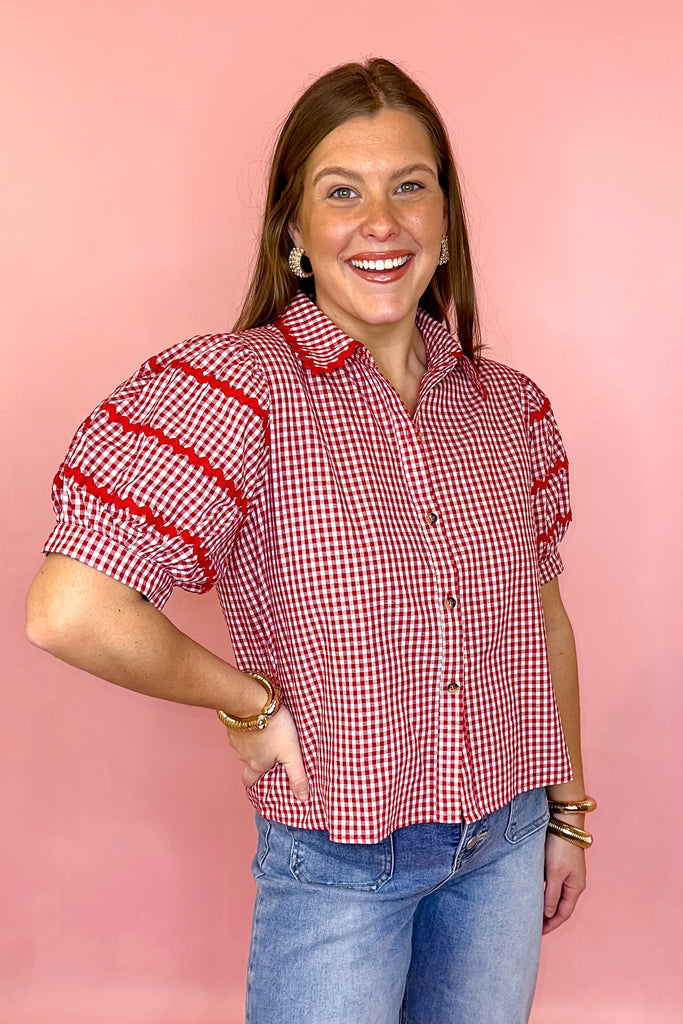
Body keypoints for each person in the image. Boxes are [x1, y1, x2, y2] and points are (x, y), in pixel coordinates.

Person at [26, 58, 594, 1024]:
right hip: (340, 866)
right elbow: (69, 609)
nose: (381, 222)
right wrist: (248, 704)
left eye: (409, 186)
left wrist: (568, 812)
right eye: (342, 193)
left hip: (504, 844)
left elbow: (539, 615)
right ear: (293, 232)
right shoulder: (231, 395)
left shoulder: (508, 410)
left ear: (445, 222)